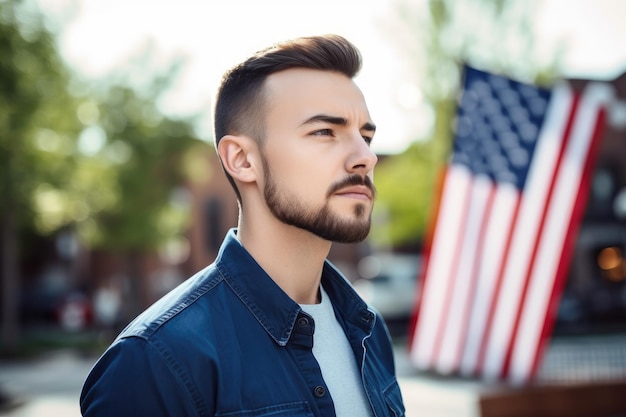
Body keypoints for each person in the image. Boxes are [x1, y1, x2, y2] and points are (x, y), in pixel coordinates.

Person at [80, 34, 405, 417]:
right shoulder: (157, 361)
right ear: (242, 160)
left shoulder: (369, 332)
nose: (365, 157)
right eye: (324, 132)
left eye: (365, 136)